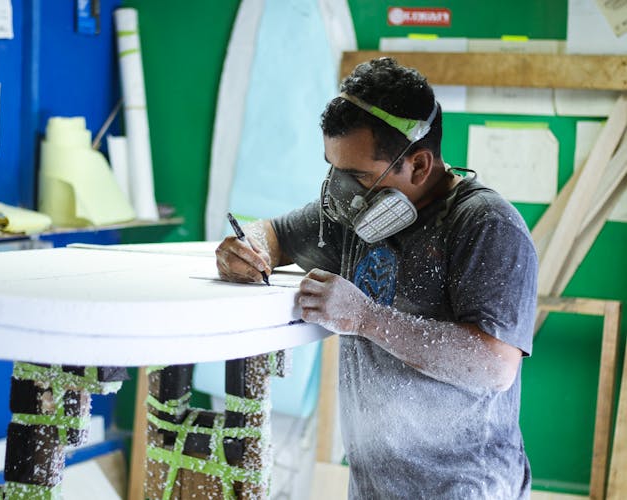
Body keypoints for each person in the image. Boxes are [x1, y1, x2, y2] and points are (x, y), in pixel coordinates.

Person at [215, 57, 538, 499]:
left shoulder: (485, 225)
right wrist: (244, 250)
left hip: (463, 489)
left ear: (420, 166)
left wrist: (365, 318)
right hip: (373, 488)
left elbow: (494, 367)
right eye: (333, 168)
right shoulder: (355, 214)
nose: (339, 189)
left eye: (357, 176)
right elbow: (273, 234)